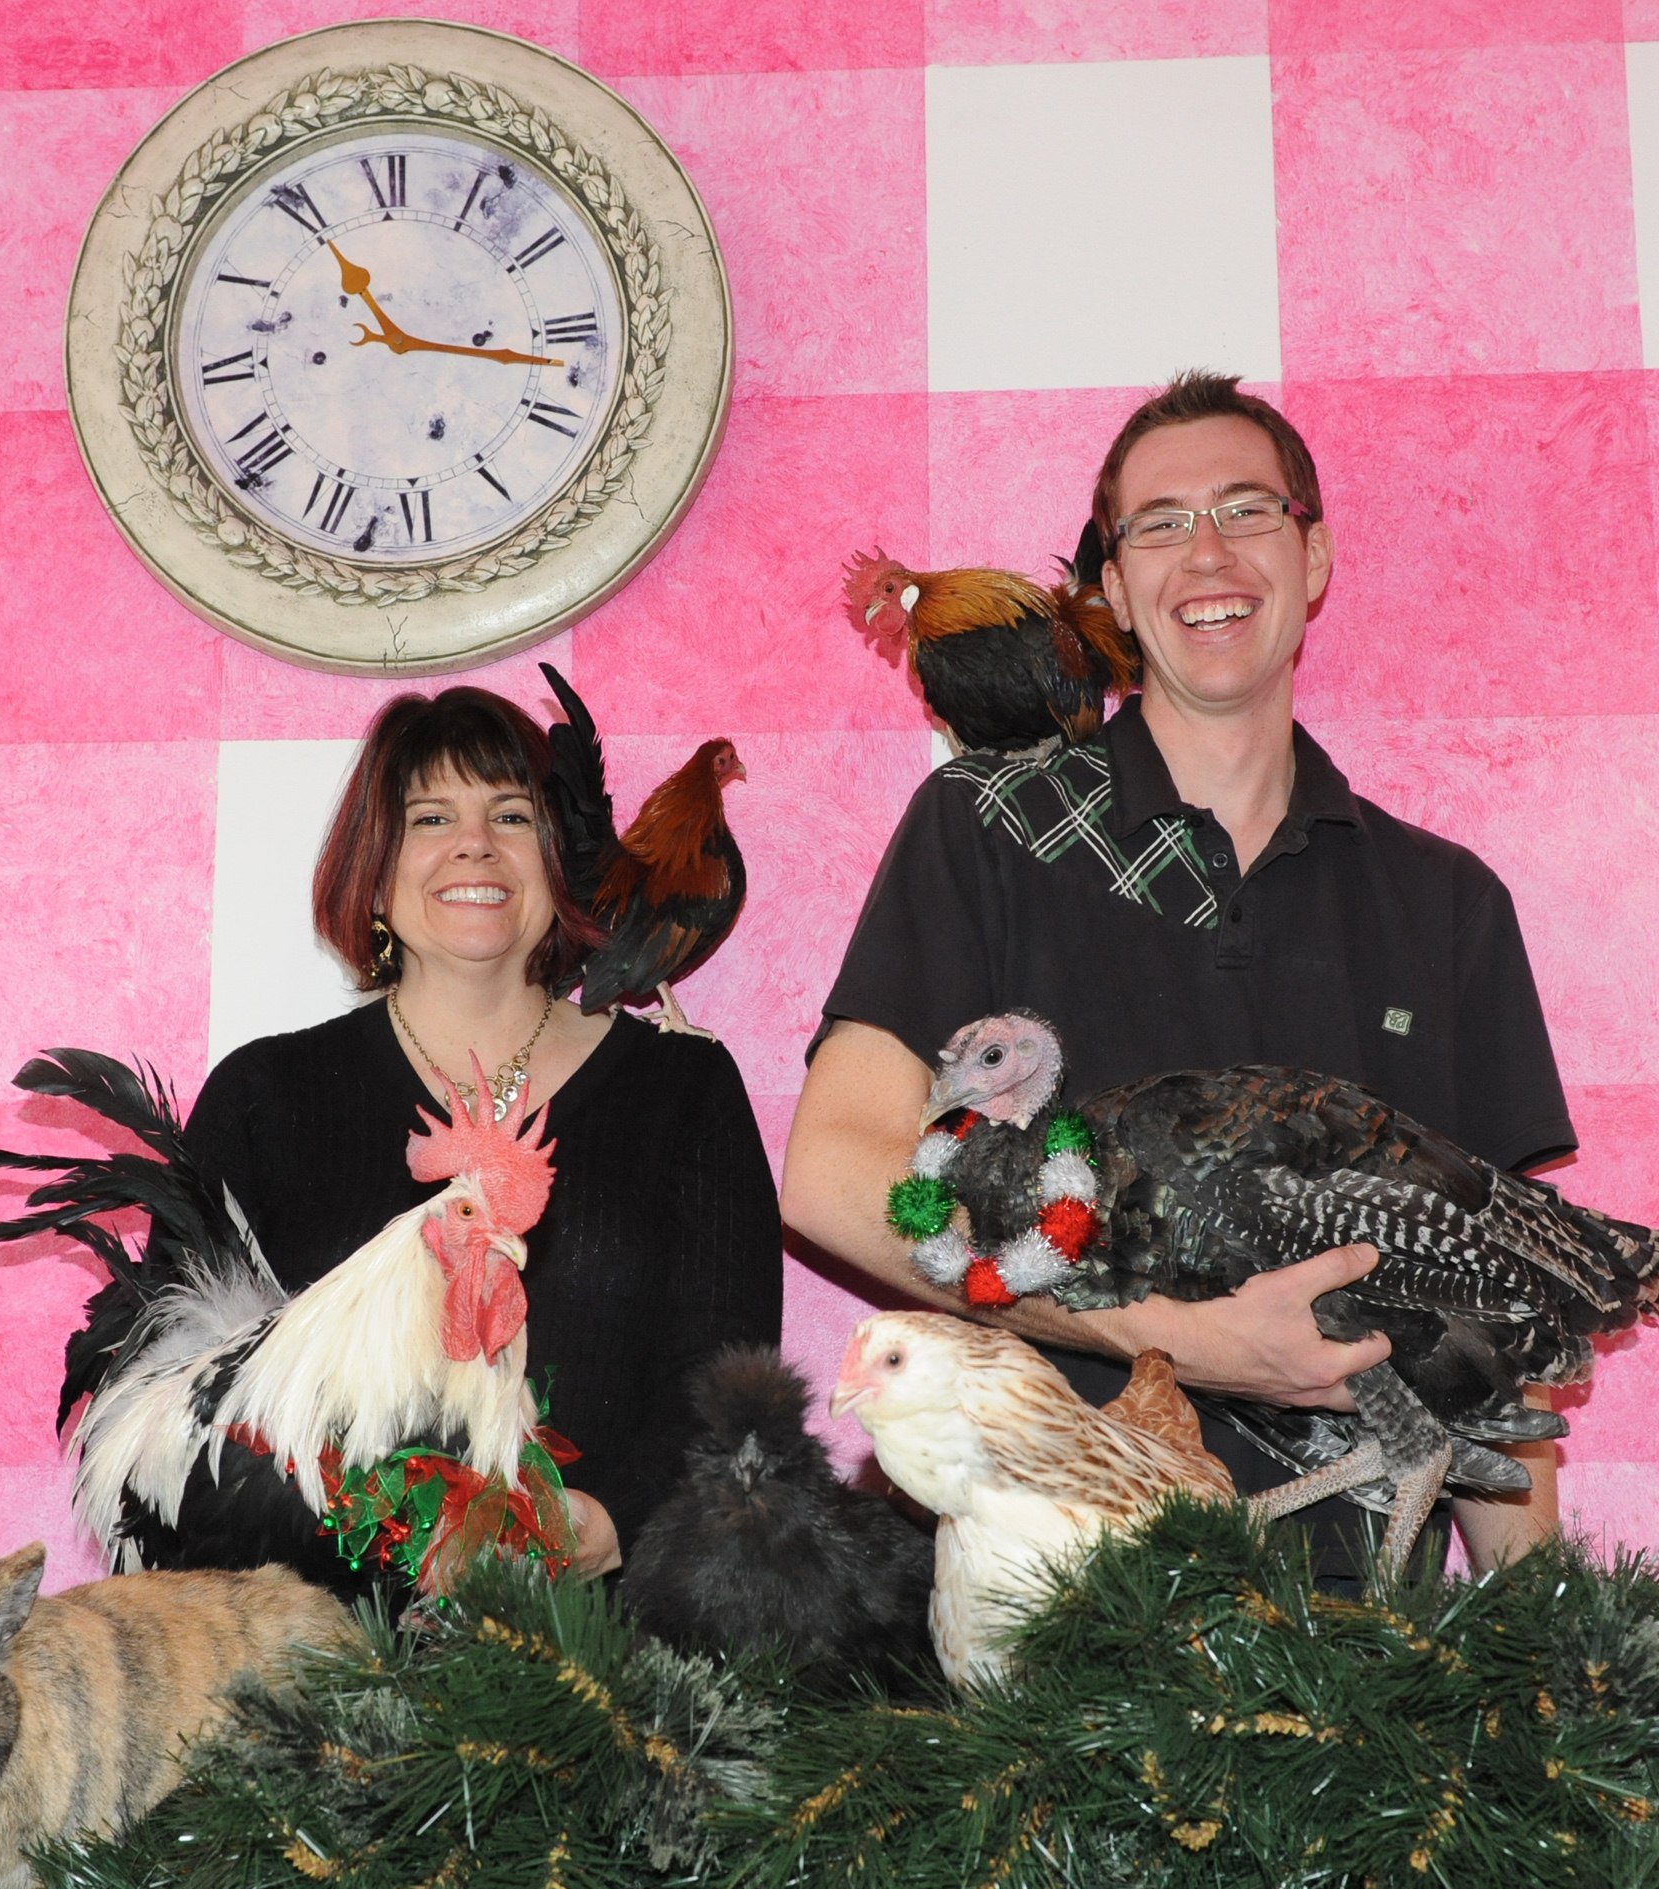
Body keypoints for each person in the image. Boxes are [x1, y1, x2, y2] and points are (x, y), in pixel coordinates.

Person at [784, 372, 1574, 1581]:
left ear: (1313, 560)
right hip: (1052, 1623)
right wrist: (1187, 1345)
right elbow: (834, 1174)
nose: (1206, 551)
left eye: (1248, 510)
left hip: (1368, 1666)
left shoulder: (1445, 905)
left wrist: (1546, 1651)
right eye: (1159, 524)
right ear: (1111, 587)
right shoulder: (987, 830)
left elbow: (1492, 1320)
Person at [185, 686, 782, 1576]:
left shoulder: (683, 1088)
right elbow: (188, 1392)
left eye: (511, 813)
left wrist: (608, 1520)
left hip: (613, 1655)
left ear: (558, 860)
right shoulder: (263, 1097)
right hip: (317, 1648)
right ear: (374, 871)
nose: (475, 842)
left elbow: (729, 1375)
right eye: (430, 817)